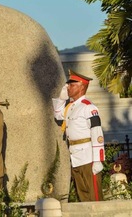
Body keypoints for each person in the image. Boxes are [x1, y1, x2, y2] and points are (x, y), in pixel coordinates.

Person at [52, 69, 105, 202]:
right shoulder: (71, 107)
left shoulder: (89, 107)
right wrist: (61, 99)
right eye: (68, 85)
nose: (68, 87)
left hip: (88, 158)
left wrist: (98, 159)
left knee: (94, 198)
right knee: (83, 197)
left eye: (71, 84)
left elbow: (97, 133)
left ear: (81, 86)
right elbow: (58, 114)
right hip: (75, 157)